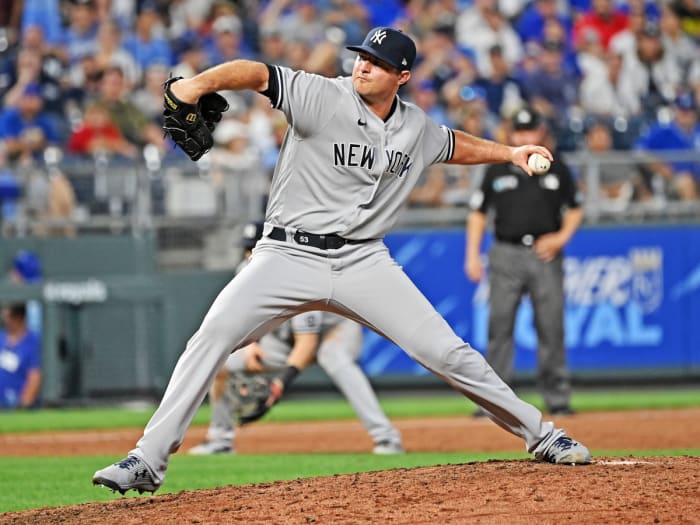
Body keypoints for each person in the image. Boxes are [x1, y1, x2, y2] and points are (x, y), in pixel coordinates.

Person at [93, 26, 591, 496]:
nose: (364, 67)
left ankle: (542, 434)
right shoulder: (323, 95)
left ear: (402, 76)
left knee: (447, 352)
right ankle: (147, 459)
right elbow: (258, 74)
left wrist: (509, 153)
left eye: (378, 63)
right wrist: (195, 86)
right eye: (362, 57)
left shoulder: (413, 126)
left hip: (363, 262)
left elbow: (454, 145)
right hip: (285, 254)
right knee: (211, 338)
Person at [188, 222, 403, 456]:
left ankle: (387, 438)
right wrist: (252, 346)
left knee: (334, 358)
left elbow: (307, 344)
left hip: (333, 330)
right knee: (223, 364)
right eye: (247, 249)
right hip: (284, 338)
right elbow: (241, 320)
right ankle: (220, 441)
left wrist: (279, 385)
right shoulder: (245, 273)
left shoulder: (297, 277)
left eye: (255, 248)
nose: (250, 255)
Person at [465, 106, 583, 417]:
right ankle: (493, 401)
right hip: (506, 254)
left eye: (531, 131)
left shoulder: (556, 168)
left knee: (551, 326)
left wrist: (560, 238)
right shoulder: (497, 168)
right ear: (512, 134)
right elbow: (478, 214)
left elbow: (575, 209)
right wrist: (472, 255)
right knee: (499, 326)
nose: (525, 136)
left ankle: (557, 399)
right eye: (520, 131)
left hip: (545, 254)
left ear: (540, 133)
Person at [0, 303, 42, 410]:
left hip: (16, 403)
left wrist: (24, 404)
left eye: (8, 316)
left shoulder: (32, 340)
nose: (5, 320)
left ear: (18, 317)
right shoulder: (1, 337)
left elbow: (35, 375)